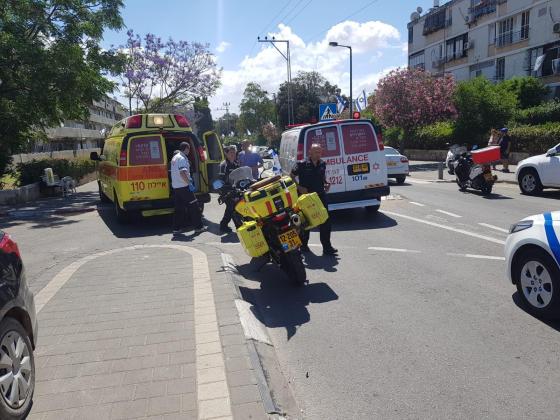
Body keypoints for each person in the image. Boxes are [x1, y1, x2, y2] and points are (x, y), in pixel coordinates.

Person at [291, 143, 338, 256]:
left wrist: (326, 183)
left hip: (320, 196)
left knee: (325, 221)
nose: (318, 154)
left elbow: (322, 177)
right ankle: (303, 246)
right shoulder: (301, 164)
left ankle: (327, 247)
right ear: (310, 152)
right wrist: (299, 187)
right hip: (306, 197)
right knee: (306, 222)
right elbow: (291, 176)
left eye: (319, 151)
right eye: (315, 151)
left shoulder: (322, 163)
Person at [170, 142, 206, 235]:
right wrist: (189, 183)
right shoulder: (182, 158)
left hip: (176, 188)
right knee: (194, 207)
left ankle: (176, 229)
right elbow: (182, 173)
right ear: (186, 148)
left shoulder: (174, 157)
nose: (189, 151)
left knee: (179, 209)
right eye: (189, 149)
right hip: (184, 187)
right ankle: (199, 227)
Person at [218, 146, 240, 233]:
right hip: (227, 191)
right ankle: (227, 225)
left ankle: (225, 225)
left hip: (236, 189)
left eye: (234, 152)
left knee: (234, 208)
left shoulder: (236, 164)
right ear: (226, 154)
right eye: (231, 152)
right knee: (231, 208)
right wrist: (224, 192)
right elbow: (220, 180)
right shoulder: (224, 165)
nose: (233, 154)